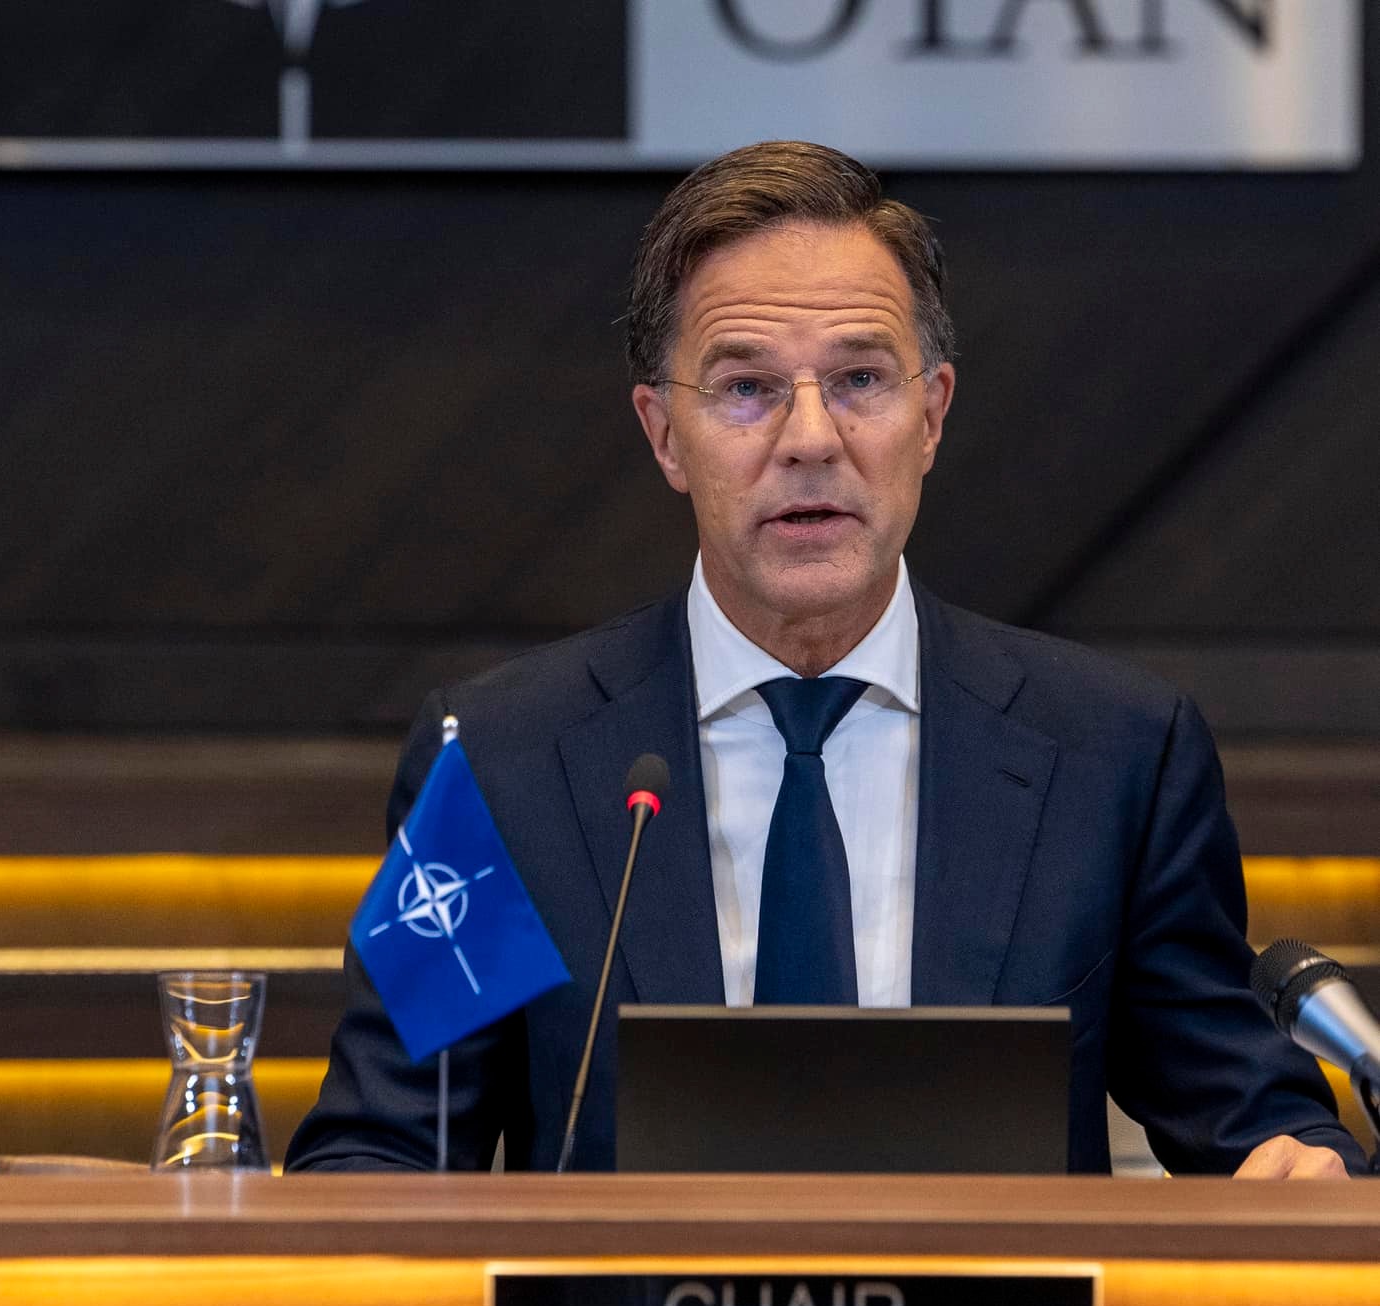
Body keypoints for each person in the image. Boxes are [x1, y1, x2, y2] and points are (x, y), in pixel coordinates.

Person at [287, 140, 1362, 1179]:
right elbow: (378, 1152)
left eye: (859, 379)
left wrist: (1290, 1168)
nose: (809, 438)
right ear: (663, 435)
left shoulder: (1113, 754)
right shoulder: (497, 759)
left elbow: (1251, 1128)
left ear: (930, 416)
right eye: (745, 388)